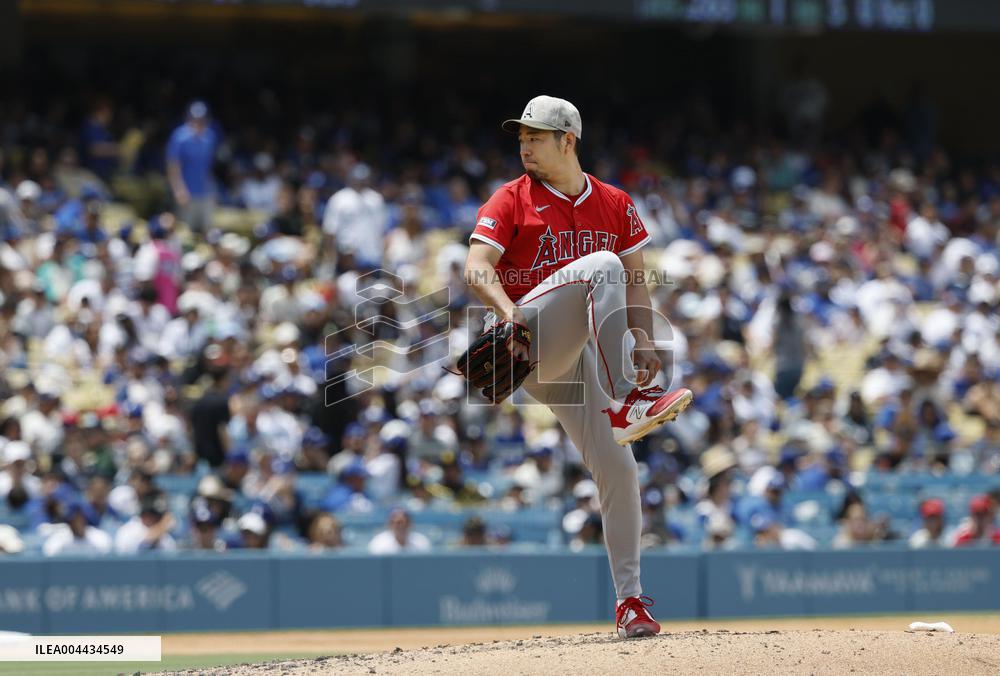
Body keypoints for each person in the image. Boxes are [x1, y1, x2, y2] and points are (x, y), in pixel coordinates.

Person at [462, 95, 693, 639]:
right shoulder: (512, 198)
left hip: (577, 354)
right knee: (601, 264)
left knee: (620, 470)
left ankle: (630, 603)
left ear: (569, 140)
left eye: (535, 137)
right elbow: (476, 266)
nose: (524, 145)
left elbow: (636, 282)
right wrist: (508, 313)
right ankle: (628, 405)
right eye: (521, 136)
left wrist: (642, 338)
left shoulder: (613, 202)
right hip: (528, 337)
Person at [166, 101, 218, 233]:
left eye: (201, 119)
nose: (198, 122)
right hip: (187, 192)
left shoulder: (209, 137)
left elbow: (208, 167)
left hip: (205, 192)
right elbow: (173, 166)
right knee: (185, 231)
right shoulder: (179, 137)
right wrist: (178, 190)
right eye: (195, 119)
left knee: (208, 230)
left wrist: (212, 190)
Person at [42, 502, 113, 556]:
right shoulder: (59, 538)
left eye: (79, 518)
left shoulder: (98, 536)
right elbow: (49, 557)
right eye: (72, 520)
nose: (76, 523)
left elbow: (107, 557)